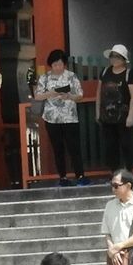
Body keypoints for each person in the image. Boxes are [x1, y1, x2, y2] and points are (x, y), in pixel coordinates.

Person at [33, 49, 85, 186]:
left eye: (60, 64)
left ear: (65, 64)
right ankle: (63, 177)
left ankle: (80, 175)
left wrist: (69, 96)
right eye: (55, 65)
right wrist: (51, 93)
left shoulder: (71, 76)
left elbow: (80, 95)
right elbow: (37, 96)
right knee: (58, 148)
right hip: (52, 118)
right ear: (51, 65)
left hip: (70, 117)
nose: (57, 67)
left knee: (74, 147)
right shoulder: (45, 78)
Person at [96, 44, 133, 176]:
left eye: (117, 57)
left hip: (124, 114)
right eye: (112, 56)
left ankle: (128, 170)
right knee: (110, 145)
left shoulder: (129, 73)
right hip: (107, 115)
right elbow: (99, 93)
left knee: (126, 144)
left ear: (123, 59)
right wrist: (98, 111)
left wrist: (131, 115)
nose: (114, 59)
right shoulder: (104, 72)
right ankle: (114, 172)